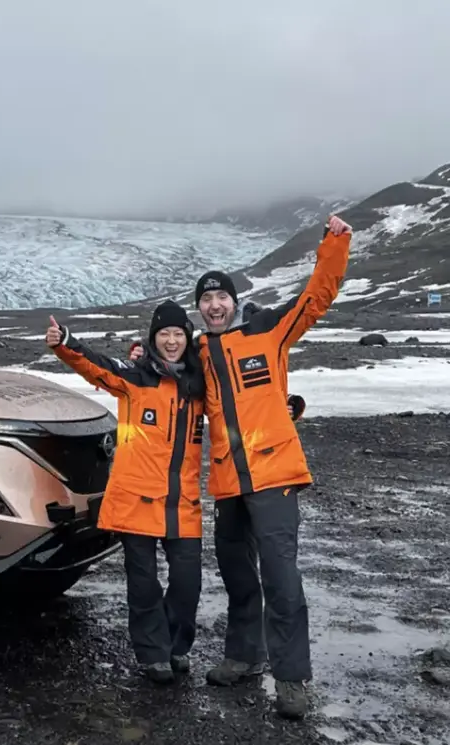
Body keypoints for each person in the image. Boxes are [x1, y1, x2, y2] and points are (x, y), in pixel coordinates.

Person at [131, 214, 353, 719]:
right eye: (205, 300)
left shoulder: (268, 331)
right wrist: (139, 357)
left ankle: (291, 678)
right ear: (199, 309)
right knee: (238, 577)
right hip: (229, 483)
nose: (214, 305)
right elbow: (163, 377)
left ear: (233, 301)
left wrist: (335, 243)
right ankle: (243, 656)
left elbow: (315, 298)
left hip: (274, 478)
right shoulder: (198, 356)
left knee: (281, 578)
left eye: (221, 297)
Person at [45, 300, 206, 684]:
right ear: (152, 339)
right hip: (136, 500)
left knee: (187, 584)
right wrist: (65, 342)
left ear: (187, 339)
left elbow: (238, 409)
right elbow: (96, 366)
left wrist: (284, 410)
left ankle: (176, 645)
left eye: (178, 334)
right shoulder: (135, 379)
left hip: (181, 503)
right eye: (164, 334)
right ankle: (153, 655)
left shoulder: (198, 388)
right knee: (144, 582)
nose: (171, 341)